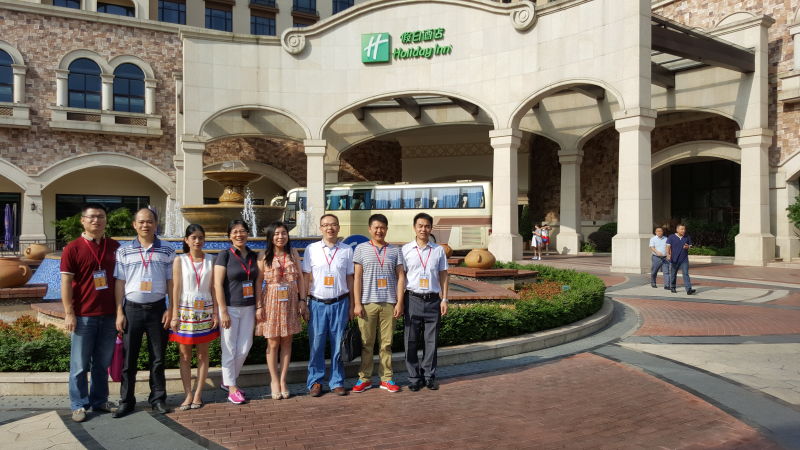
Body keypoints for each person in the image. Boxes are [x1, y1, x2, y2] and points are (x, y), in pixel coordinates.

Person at [60, 203, 121, 423]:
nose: (97, 220)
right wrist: (69, 313)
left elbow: (121, 281)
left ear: (106, 220)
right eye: (92, 217)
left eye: (101, 216)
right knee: (79, 366)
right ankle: (78, 405)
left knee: (102, 364)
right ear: (83, 221)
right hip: (84, 316)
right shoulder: (73, 248)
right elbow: (66, 282)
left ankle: (99, 400)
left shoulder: (114, 246)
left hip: (109, 315)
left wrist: (120, 312)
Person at [113, 207, 175, 418]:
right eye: (141, 222)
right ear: (134, 225)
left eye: (149, 221)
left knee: (158, 358)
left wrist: (170, 308)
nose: (145, 225)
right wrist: (119, 311)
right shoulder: (123, 251)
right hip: (132, 310)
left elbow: (171, 282)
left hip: (158, 310)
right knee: (129, 359)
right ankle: (126, 401)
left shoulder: (167, 250)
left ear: (156, 224)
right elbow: (120, 283)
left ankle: (158, 399)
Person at [351, 214, 406, 394]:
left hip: (389, 303)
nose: (379, 231)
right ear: (369, 229)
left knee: (386, 344)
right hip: (367, 303)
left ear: (386, 229)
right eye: (376, 227)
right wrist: (357, 303)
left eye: (382, 227)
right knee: (366, 343)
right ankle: (364, 379)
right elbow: (357, 278)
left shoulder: (395, 250)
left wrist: (399, 302)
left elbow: (401, 277)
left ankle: (387, 378)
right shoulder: (361, 249)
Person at [303, 213, 354, 397]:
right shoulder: (311, 249)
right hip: (317, 304)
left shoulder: (347, 250)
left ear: (338, 228)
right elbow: (306, 277)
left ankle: (337, 381)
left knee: (338, 345)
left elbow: (350, 278)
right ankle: (315, 381)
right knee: (316, 345)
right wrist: (304, 302)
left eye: (333, 225)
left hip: (340, 303)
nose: (329, 228)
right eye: (325, 225)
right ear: (321, 228)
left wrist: (352, 304)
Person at [169, 224, 219, 411]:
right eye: (194, 237)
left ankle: (198, 394)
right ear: (186, 240)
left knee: (203, 354)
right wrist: (174, 314)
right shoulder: (180, 260)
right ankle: (187, 393)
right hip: (185, 310)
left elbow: (214, 287)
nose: (197, 241)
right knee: (184, 355)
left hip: (205, 309)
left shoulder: (211, 260)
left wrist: (215, 312)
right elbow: (175, 288)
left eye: (201, 237)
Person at [255, 221, 306, 400]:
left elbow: (300, 279)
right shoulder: (263, 255)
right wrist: (259, 305)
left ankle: (283, 380)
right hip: (270, 301)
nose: (280, 237)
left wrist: (302, 300)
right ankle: (274, 381)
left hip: (290, 301)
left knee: (287, 341)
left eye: (284, 233)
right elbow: (258, 282)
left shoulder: (293, 253)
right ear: (270, 236)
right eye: (276, 233)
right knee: (273, 342)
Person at [401, 212, 449, 391]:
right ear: (414, 228)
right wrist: (399, 301)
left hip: (433, 300)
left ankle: (429, 376)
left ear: (431, 228)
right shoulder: (405, 250)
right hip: (412, 298)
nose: (423, 229)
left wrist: (444, 299)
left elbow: (444, 275)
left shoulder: (438, 250)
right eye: (420, 226)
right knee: (411, 340)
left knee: (431, 341)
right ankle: (414, 377)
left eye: (427, 226)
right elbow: (401, 277)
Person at [214, 219, 260, 405]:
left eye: (242, 231)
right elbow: (217, 284)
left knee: (245, 347)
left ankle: (227, 381)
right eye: (235, 232)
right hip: (230, 307)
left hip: (249, 307)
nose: (239, 235)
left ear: (248, 233)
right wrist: (223, 310)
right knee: (229, 347)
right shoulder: (224, 255)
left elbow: (257, 282)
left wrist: (258, 306)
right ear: (229, 236)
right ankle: (232, 388)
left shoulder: (253, 255)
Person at [666, 224, 696, 295]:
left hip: (684, 259)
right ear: (677, 230)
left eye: (684, 229)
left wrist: (688, 247)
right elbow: (668, 246)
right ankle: (673, 287)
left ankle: (688, 289)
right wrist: (668, 254)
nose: (683, 230)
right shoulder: (671, 237)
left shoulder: (687, 237)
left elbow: (690, 246)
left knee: (686, 274)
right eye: (682, 229)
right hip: (674, 259)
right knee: (673, 274)